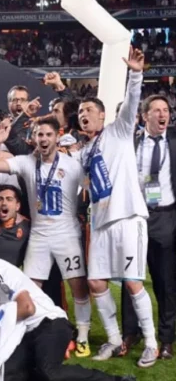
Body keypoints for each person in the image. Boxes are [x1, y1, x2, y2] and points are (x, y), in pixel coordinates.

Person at [0, 236, 135, 381]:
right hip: (22, 332)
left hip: (49, 324)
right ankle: (35, 363)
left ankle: (116, 379)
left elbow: (27, 308)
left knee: (50, 373)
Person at [0, 116, 92, 357]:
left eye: (48, 135)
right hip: (40, 236)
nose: (43, 139)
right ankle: (35, 331)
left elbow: (87, 189)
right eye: (39, 134)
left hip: (67, 234)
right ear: (33, 137)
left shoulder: (72, 164)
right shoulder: (25, 162)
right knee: (32, 288)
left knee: (77, 285)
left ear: (57, 137)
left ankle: (83, 335)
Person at [77, 48, 157, 366]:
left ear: (101, 115)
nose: (83, 115)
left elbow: (132, 102)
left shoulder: (119, 131)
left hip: (126, 216)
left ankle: (150, 342)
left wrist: (135, 74)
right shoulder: (85, 150)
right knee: (96, 282)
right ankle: (113, 339)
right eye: (80, 112)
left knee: (133, 281)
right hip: (101, 222)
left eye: (88, 111)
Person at [120, 94, 176, 360]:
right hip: (135, 218)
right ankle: (130, 333)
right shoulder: (130, 143)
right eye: (157, 110)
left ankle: (166, 339)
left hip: (165, 219)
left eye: (166, 110)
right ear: (145, 116)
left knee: (166, 283)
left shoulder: (174, 141)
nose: (163, 114)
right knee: (131, 279)